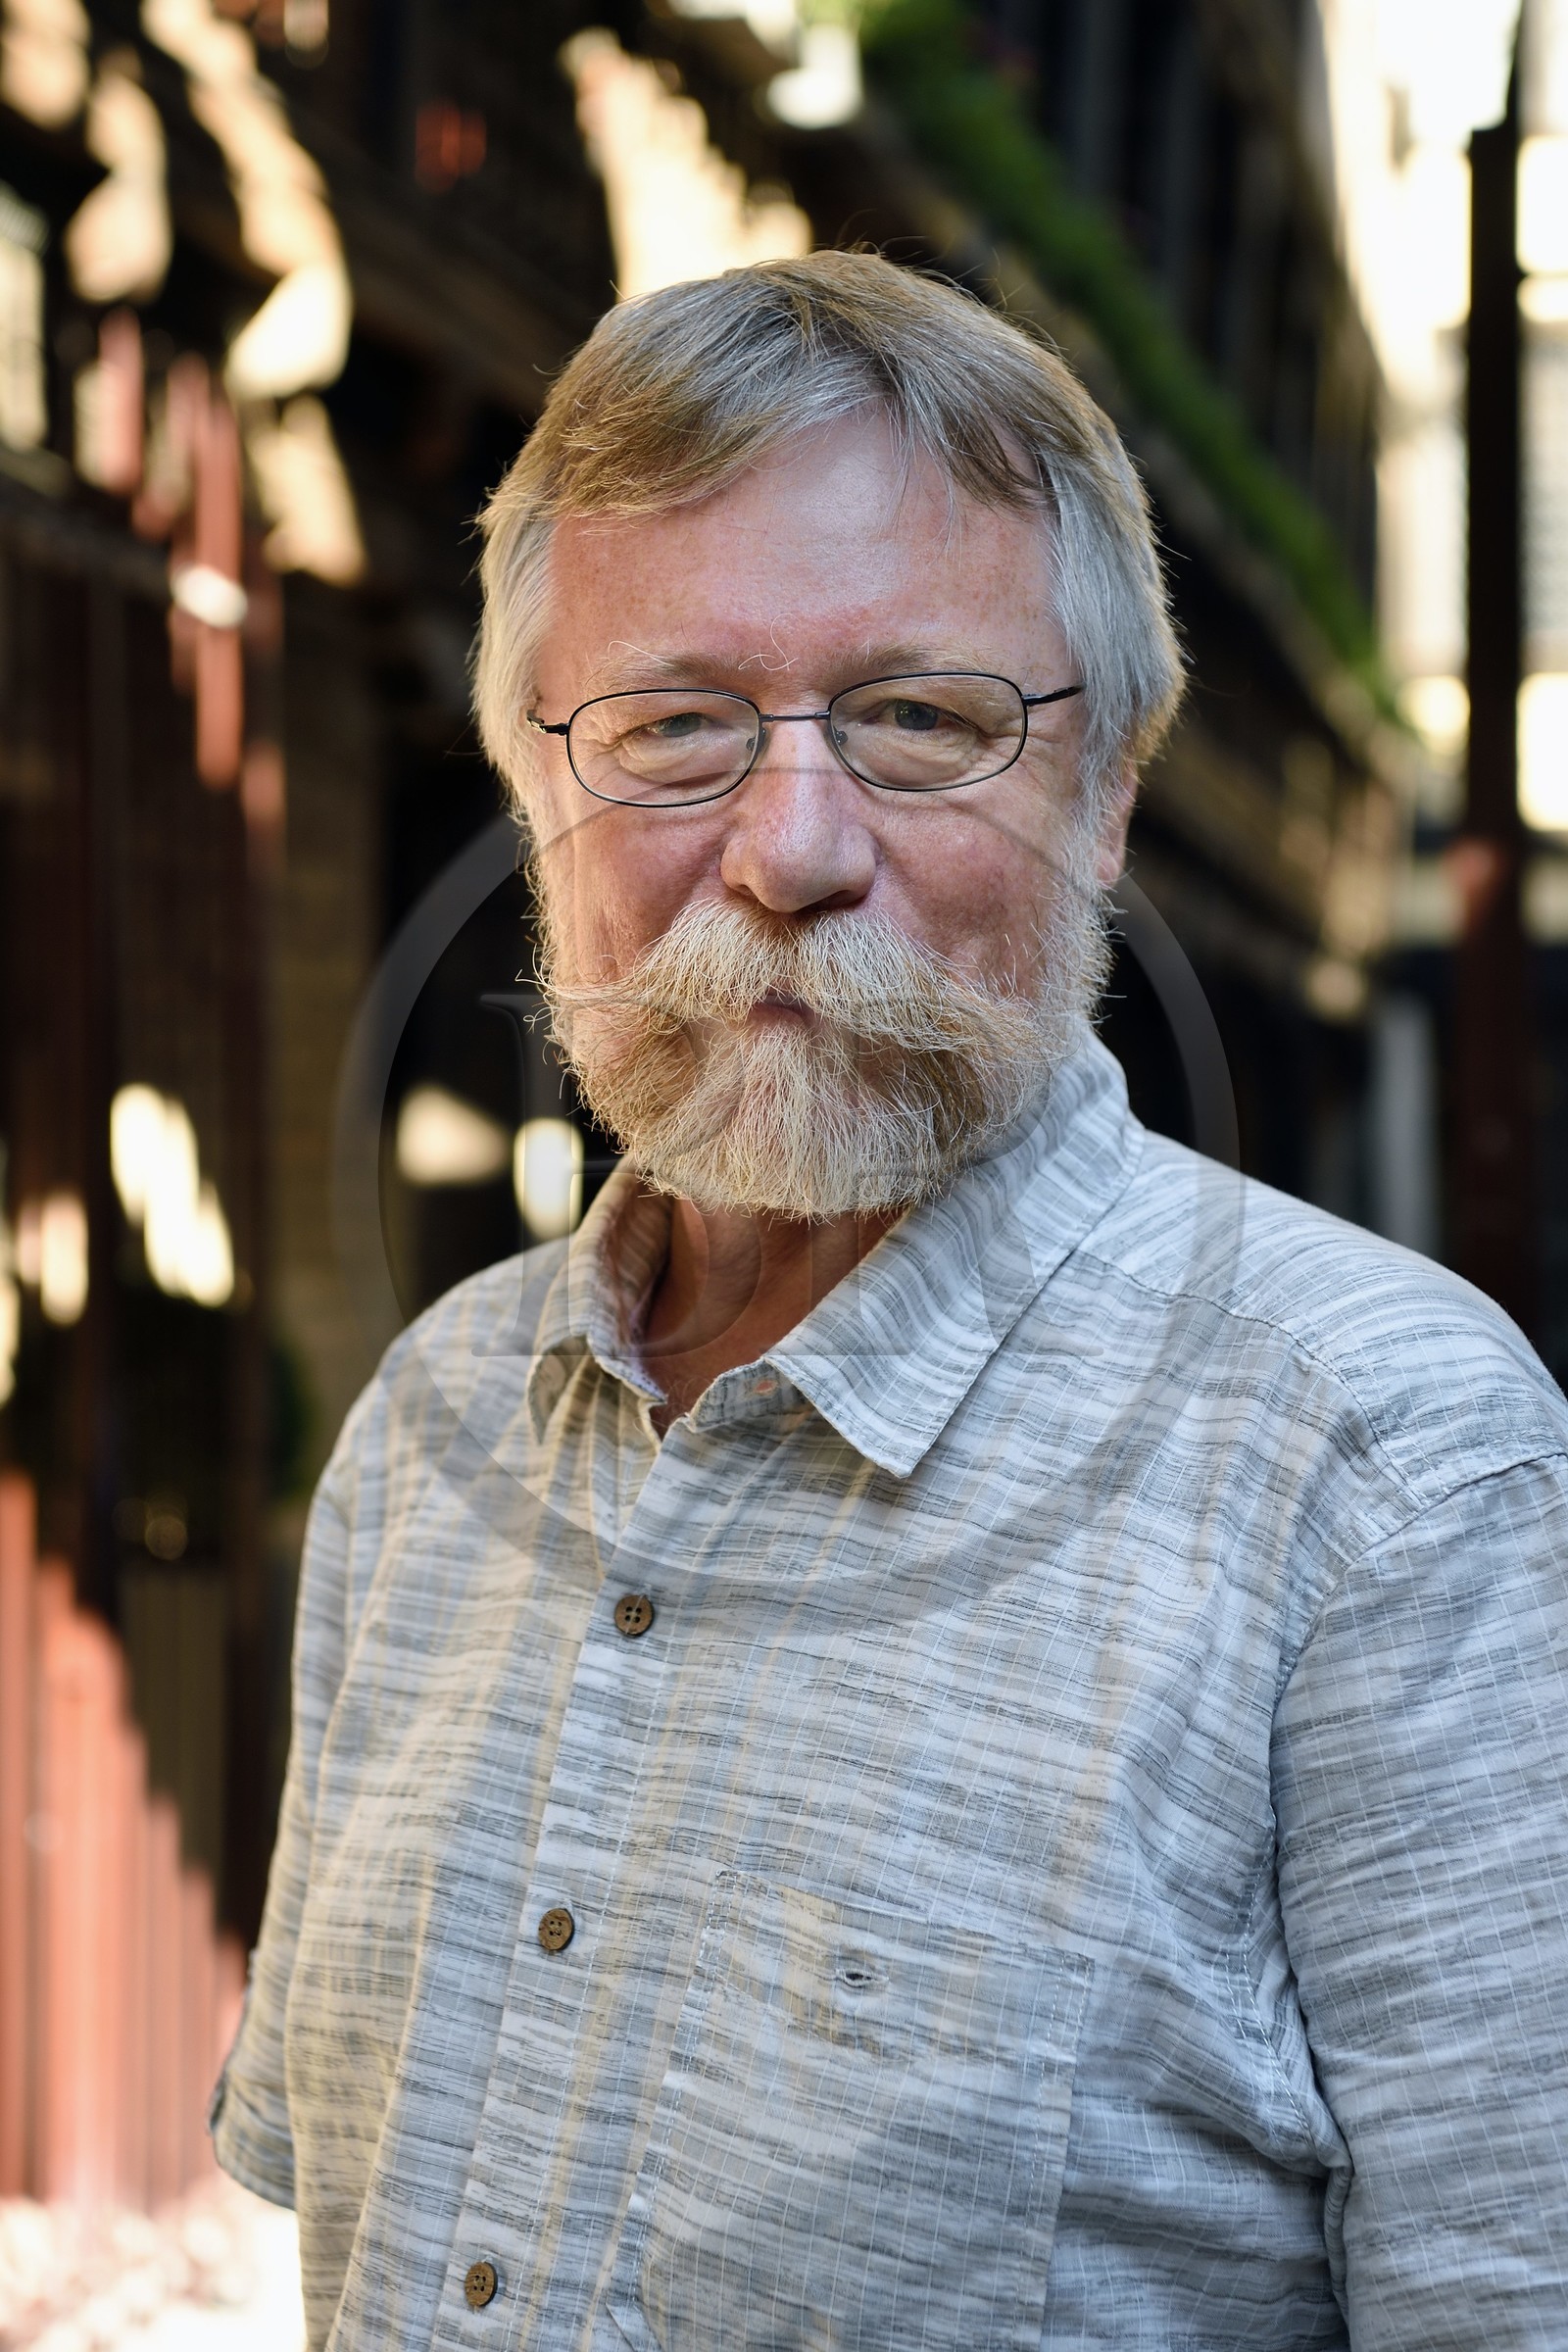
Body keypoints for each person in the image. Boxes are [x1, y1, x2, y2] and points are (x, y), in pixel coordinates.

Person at [212, 252, 1568, 2351]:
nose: (789, 846)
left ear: (1103, 798)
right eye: (668, 729)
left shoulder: (1389, 1469)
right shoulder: (434, 1422)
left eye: (919, 720)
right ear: (533, 803)